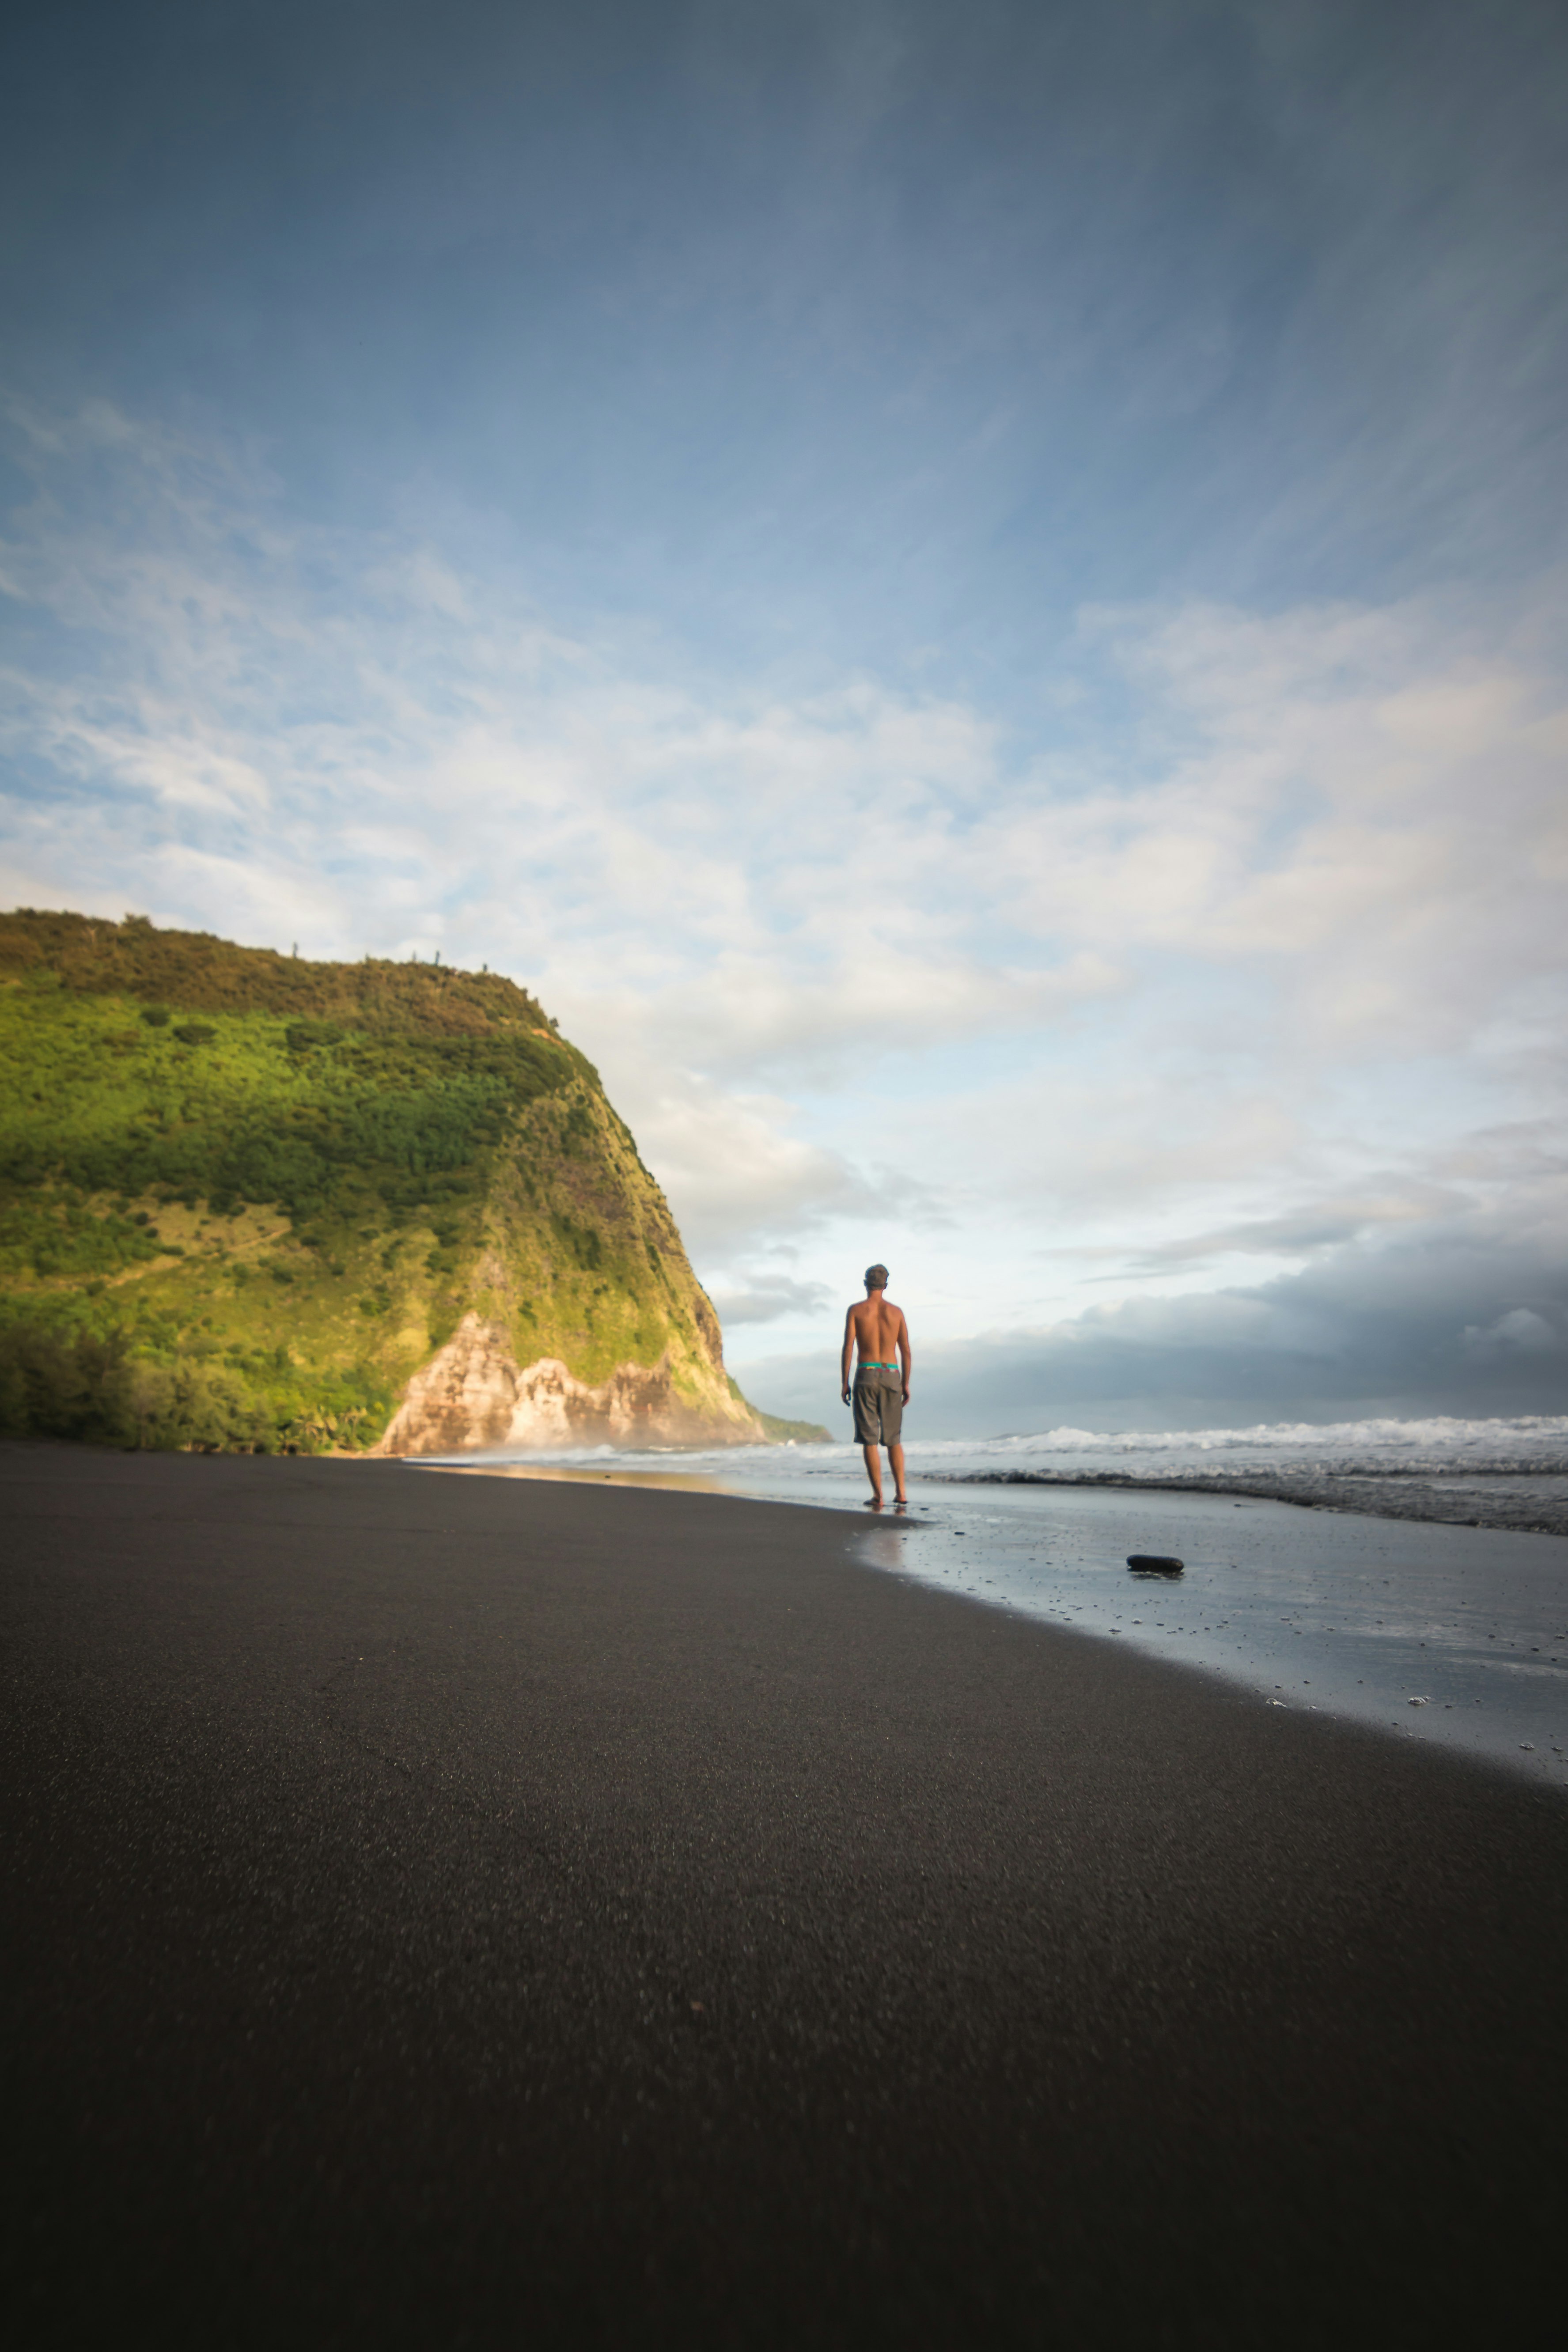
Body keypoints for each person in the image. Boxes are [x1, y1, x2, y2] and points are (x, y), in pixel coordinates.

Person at [841, 1264, 911, 1508]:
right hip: (892, 1374)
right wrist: (906, 1384)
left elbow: (849, 1347)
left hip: (866, 1374)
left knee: (870, 1439)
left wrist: (844, 1382)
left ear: (865, 1284)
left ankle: (878, 1496)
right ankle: (901, 1493)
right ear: (886, 1285)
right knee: (894, 1439)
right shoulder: (897, 1312)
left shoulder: (856, 1311)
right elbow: (906, 1351)